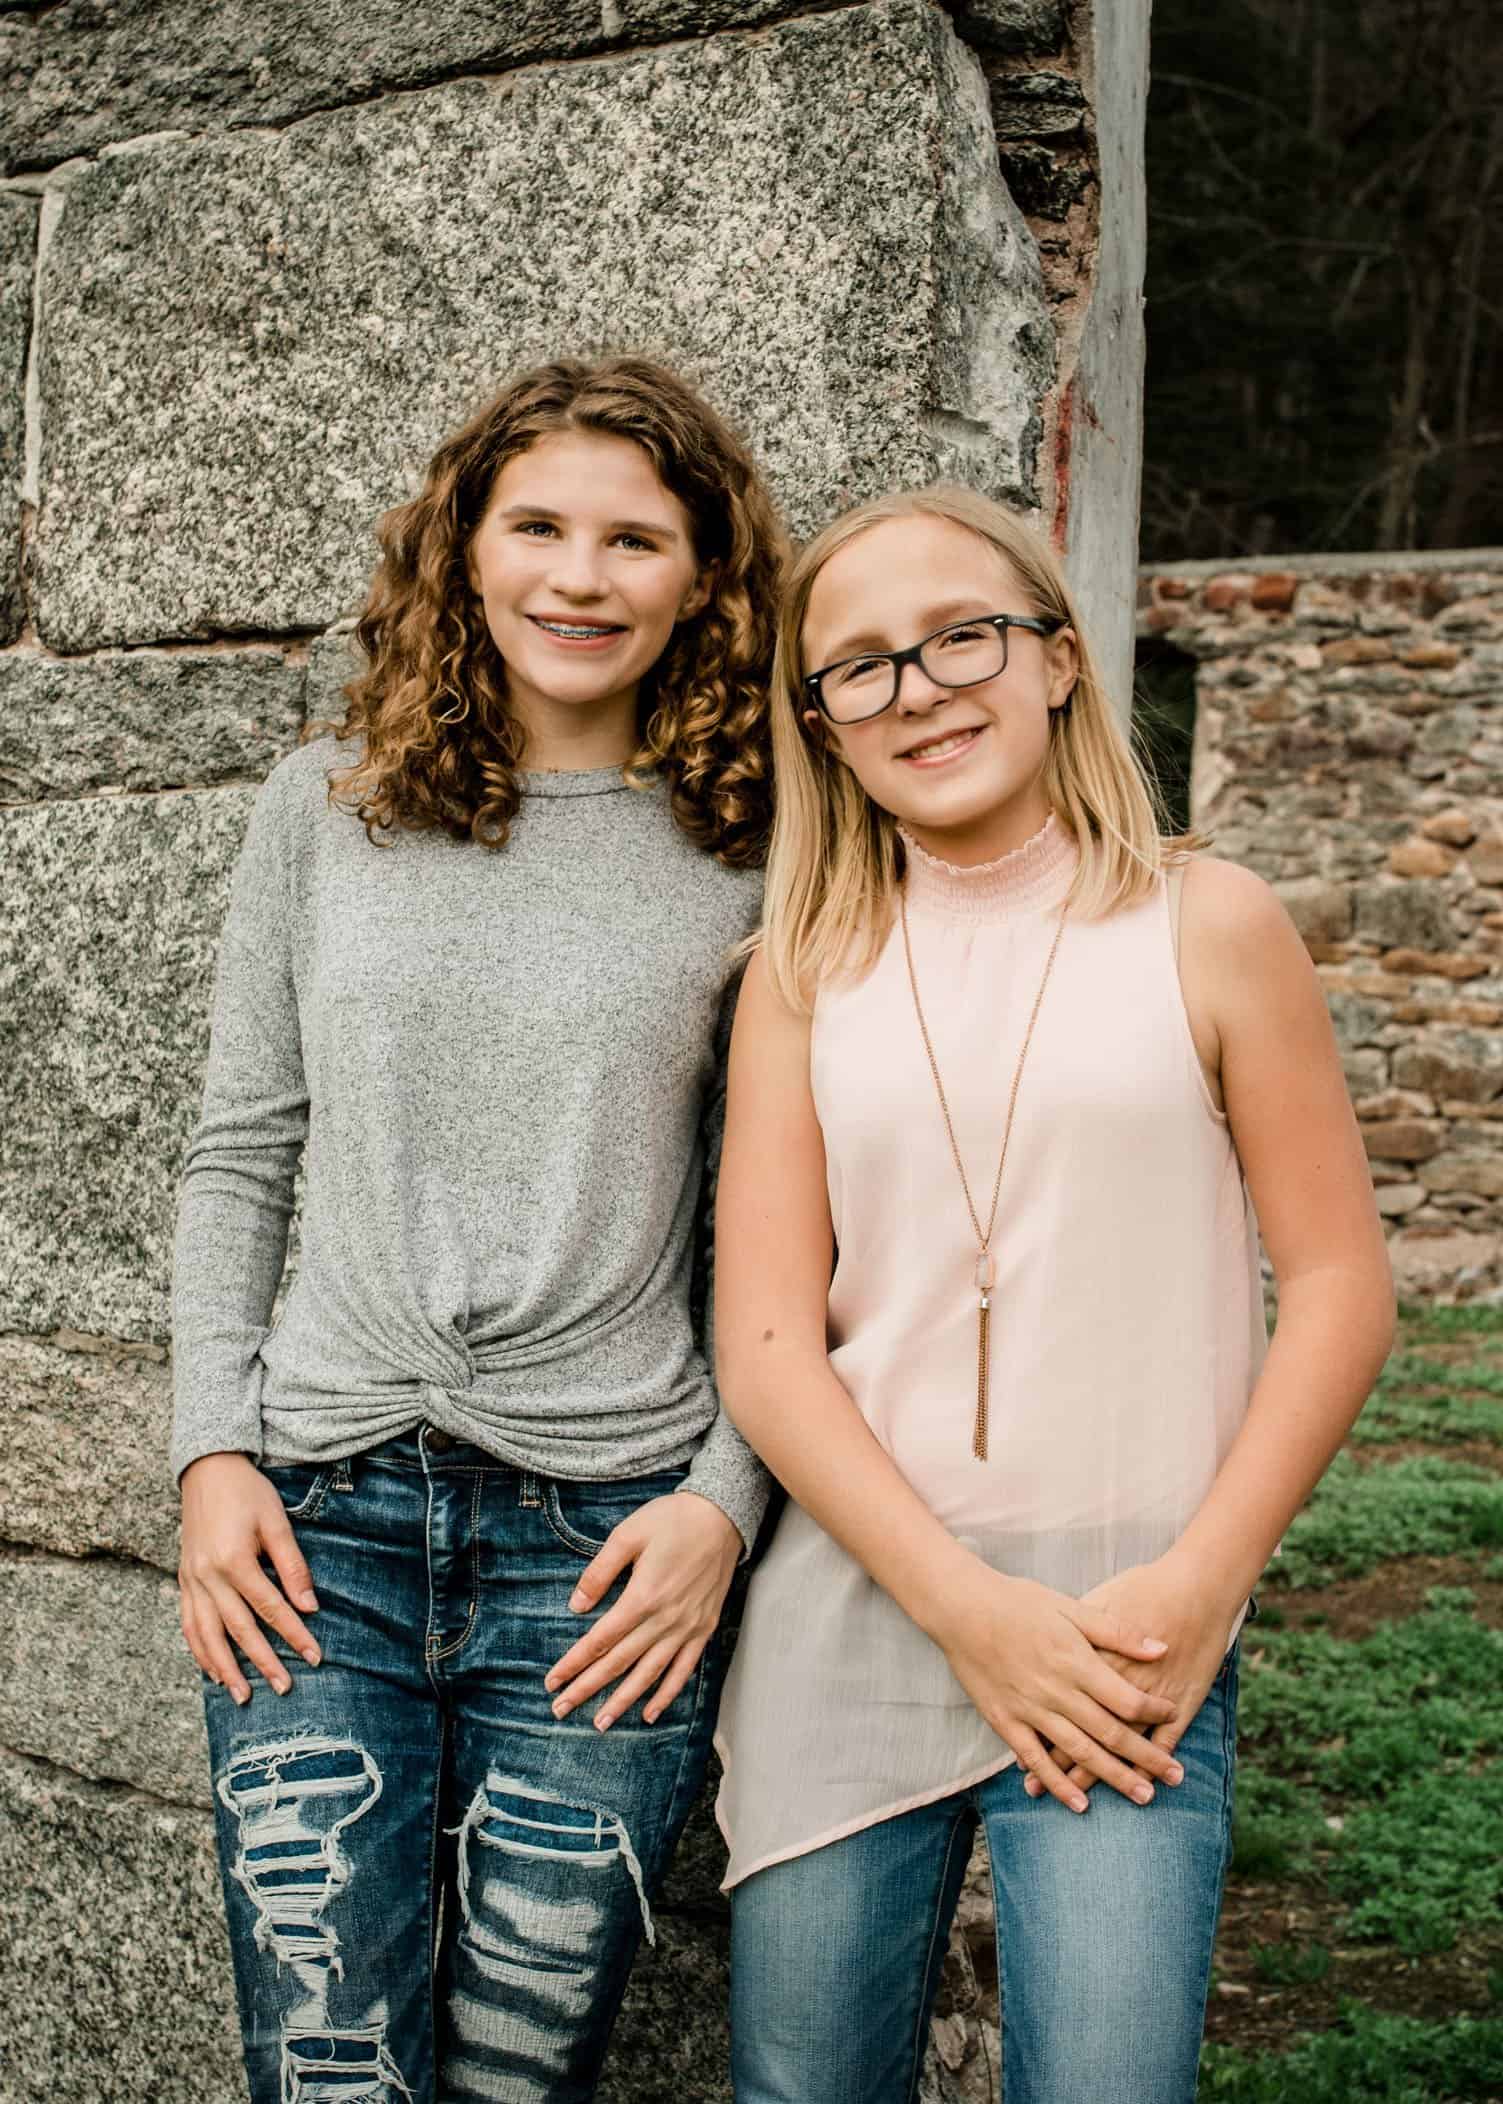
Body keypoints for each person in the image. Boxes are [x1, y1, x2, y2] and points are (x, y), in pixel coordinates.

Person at [712, 484, 1394, 2104]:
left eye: (961, 635)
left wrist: (1207, 1578)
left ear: (1063, 659)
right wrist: (966, 1610)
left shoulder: (1207, 924)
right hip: (861, 1615)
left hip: (1130, 1626)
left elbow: (1344, 1282)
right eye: (860, 666)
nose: (918, 688)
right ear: (822, 724)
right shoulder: (799, 975)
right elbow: (761, 1343)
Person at [171, 355, 784, 2104]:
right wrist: (212, 1453)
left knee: (526, 2076)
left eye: (635, 539)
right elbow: (240, 1151)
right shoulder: (328, 806)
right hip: (317, 1531)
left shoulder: (757, 843)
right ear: (465, 545)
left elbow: (791, 1225)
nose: (578, 577)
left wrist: (721, 1511)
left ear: (706, 579)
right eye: (538, 526)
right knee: (328, 2066)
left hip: (606, 1552)